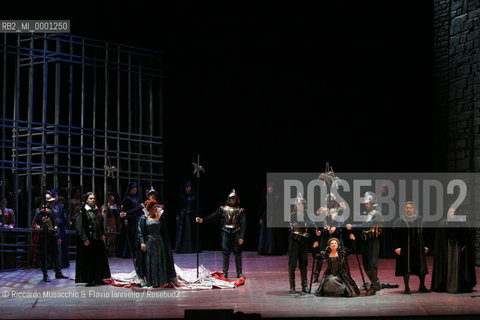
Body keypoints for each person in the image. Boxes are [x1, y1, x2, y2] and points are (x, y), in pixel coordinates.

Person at [196, 189, 246, 279]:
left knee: (237, 252)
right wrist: (203, 220)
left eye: (235, 198)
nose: (233, 200)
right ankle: (225, 272)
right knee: (225, 252)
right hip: (226, 231)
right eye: (232, 198)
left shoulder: (240, 211)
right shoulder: (223, 209)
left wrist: (241, 236)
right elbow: (213, 216)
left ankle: (239, 272)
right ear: (229, 199)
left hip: (236, 232)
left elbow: (243, 224)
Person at [431, 208, 477, 293]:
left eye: (454, 212)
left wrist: (464, 245)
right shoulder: (444, 223)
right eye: (450, 212)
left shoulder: (460, 222)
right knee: (448, 266)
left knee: (456, 266)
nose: (452, 214)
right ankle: (447, 285)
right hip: (448, 248)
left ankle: (456, 286)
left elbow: (466, 236)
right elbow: (440, 240)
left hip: (457, 248)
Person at [346, 191, 382, 296]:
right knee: (366, 265)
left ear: (372, 203)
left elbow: (368, 225)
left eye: (367, 203)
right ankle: (376, 282)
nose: (366, 204)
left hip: (373, 241)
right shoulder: (367, 213)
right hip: (366, 240)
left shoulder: (377, 214)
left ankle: (374, 286)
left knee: (372, 264)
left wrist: (353, 227)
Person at [136, 200, 178, 287]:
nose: (156, 209)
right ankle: (152, 280)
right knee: (151, 261)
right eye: (154, 207)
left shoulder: (159, 217)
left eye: (156, 207)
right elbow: (140, 231)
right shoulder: (144, 218)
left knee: (160, 260)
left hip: (159, 242)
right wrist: (142, 242)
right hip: (149, 242)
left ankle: (161, 280)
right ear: (150, 208)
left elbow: (164, 231)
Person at [75, 192, 111, 286]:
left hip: (97, 239)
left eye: (94, 198)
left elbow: (100, 222)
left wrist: (102, 233)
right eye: (91, 198)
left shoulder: (96, 210)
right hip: (89, 239)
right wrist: (84, 238)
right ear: (86, 200)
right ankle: (90, 279)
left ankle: (99, 278)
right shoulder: (82, 211)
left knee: (99, 260)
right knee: (89, 261)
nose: (93, 200)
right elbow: (80, 226)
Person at [393, 201, 429, 294]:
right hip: (406, 247)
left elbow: (425, 234)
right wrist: (397, 247)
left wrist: (425, 245)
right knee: (407, 267)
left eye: (410, 208)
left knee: (421, 266)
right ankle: (407, 287)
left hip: (418, 247)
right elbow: (396, 235)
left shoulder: (419, 219)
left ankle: (422, 285)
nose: (409, 209)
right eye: (407, 208)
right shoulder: (401, 220)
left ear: (414, 209)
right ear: (405, 209)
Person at [287, 193, 319, 294]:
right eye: (298, 204)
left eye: (302, 204)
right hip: (295, 240)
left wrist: (316, 229)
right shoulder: (293, 215)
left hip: (304, 241)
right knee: (292, 264)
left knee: (304, 263)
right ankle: (292, 286)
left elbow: (313, 224)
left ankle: (304, 285)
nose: (300, 206)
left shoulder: (307, 215)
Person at [32, 193, 67, 282]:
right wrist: (41, 227)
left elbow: (55, 223)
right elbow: (35, 224)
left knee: (56, 254)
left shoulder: (52, 210)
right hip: (45, 235)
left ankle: (58, 273)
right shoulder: (41, 211)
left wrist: (57, 235)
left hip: (53, 235)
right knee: (45, 256)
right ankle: (45, 275)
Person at [312, 193, 346, 283]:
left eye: (331, 201)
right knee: (321, 253)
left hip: (337, 234)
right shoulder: (322, 209)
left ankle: (344, 273)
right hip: (326, 234)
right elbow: (316, 221)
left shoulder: (339, 209)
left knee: (341, 253)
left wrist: (336, 227)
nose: (330, 202)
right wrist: (319, 229)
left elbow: (342, 221)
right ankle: (315, 275)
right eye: (328, 201)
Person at [257, 182, 287, 255]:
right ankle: (266, 249)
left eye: (272, 187)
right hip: (267, 217)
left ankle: (275, 250)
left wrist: (281, 216)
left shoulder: (277, 197)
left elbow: (280, 208)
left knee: (275, 233)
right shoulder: (264, 197)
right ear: (267, 188)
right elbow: (261, 208)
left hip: (276, 216)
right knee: (266, 233)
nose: (271, 189)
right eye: (269, 187)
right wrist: (260, 217)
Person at [118, 182, 143, 258]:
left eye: (135, 187)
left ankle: (136, 253)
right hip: (130, 219)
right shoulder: (127, 198)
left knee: (137, 235)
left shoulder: (138, 198)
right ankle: (127, 253)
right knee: (130, 236)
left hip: (137, 219)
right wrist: (125, 218)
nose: (135, 189)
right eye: (133, 188)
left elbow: (140, 209)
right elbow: (124, 210)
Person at [49, 189, 70, 268]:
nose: (55, 197)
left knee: (61, 246)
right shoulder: (49, 206)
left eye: (56, 196)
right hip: (52, 228)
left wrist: (60, 222)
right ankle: (52, 264)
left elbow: (63, 217)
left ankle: (61, 264)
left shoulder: (59, 206)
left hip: (60, 228)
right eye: (54, 196)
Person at [175, 181, 197, 253]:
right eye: (187, 187)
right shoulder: (181, 196)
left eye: (189, 187)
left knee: (191, 231)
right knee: (182, 232)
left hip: (191, 215)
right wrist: (177, 215)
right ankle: (181, 248)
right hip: (183, 215)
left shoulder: (194, 196)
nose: (188, 188)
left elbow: (195, 206)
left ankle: (192, 248)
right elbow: (178, 206)